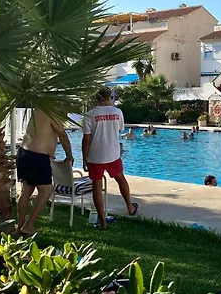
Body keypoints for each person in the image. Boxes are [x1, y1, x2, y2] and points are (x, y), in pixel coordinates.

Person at [83, 87, 139, 230]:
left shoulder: (89, 115)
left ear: (96, 98)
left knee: (97, 187)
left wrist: (84, 158)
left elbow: (86, 140)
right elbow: (119, 129)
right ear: (109, 97)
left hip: (95, 156)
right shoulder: (117, 112)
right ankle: (130, 207)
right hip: (113, 154)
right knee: (121, 179)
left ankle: (102, 222)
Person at [16, 109, 72, 236]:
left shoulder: (38, 109)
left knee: (26, 190)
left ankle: (20, 227)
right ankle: (28, 226)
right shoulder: (52, 112)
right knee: (47, 190)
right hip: (37, 156)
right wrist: (69, 155)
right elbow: (62, 134)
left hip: (24, 152)